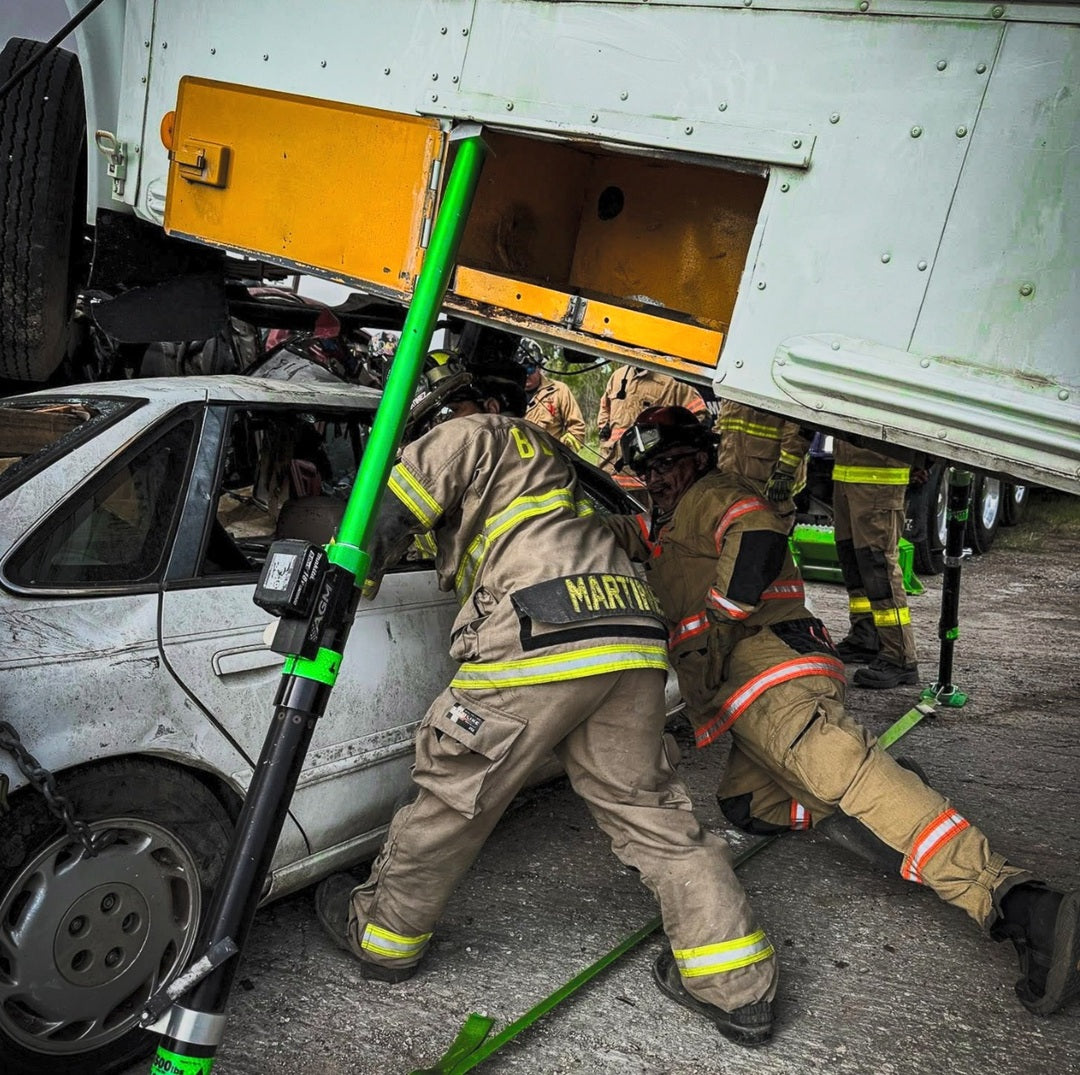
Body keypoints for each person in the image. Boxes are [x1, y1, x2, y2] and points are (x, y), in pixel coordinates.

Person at [314, 359, 779, 1046]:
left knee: (454, 792)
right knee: (649, 811)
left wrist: (338, 584)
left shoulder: (465, 434)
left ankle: (384, 935)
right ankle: (738, 984)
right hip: (627, 633)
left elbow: (380, 517)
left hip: (540, 629)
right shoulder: (545, 453)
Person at [602, 405, 1080, 1019]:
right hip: (757, 690)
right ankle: (892, 795)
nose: (661, 478)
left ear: (699, 458)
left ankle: (1021, 905)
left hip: (772, 675)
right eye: (650, 470)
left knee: (846, 777)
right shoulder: (668, 529)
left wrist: (722, 619)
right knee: (750, 805)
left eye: (670, 463)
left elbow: (757, 528)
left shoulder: (714, 493)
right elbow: (627, 537)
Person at [831, 436, 919, 689]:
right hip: (847, 475)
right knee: (854, 564)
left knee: (878, 568)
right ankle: (865, 637)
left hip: (880, 479)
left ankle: (900, 656)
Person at [595, 362, 707, 473]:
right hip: (608, 470)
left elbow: (698, 418)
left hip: (647, 475)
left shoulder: (674, 379)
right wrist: (604, 427)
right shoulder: (618, 376)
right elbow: (605, 406)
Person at [714, 399, 812, 511]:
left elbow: (797, 429)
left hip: (769, 479)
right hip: (735, 476)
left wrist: (785, 471)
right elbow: (726, 421)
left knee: (769, 524)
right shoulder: (736, 384)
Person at [515, 337, 587, 452]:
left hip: (548, 465)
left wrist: (565, 449)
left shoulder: (559, 391)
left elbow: (577, 428)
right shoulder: (506, 393)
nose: (526, 375)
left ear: (539, 367)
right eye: (520, 370)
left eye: (529, 369)